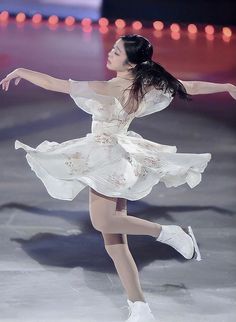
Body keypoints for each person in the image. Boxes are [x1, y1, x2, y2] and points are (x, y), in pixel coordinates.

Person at [1, 34, 235, 322]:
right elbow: (189, 86)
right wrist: (225, 86)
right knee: (115, 244)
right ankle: (140, 307)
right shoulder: (144, 84)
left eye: (116, 51)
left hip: (106, 159)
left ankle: (168, 233)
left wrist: (22, 71)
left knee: (102, 222)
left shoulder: (108, 88)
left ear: (131, 61)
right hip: (117, 156)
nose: (110, 53)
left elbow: (56, 84)